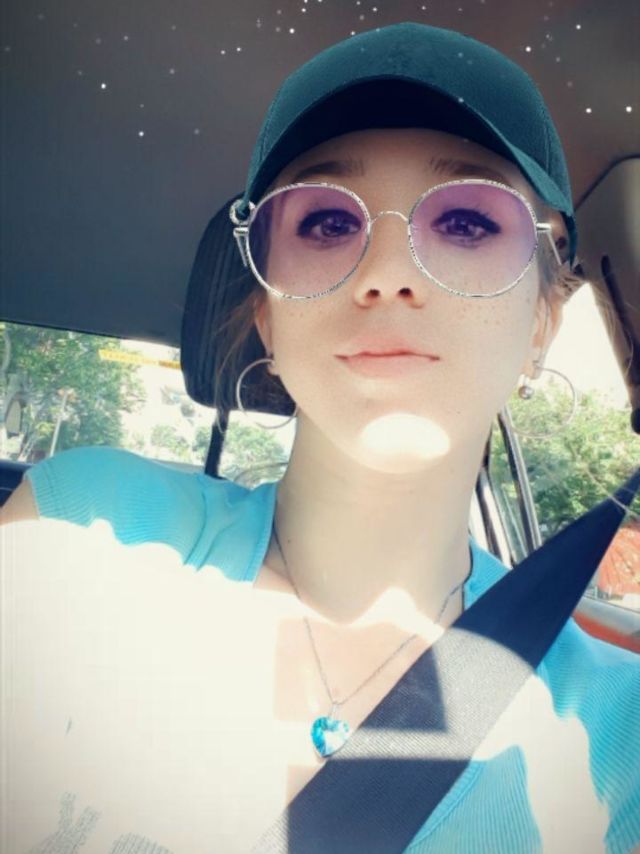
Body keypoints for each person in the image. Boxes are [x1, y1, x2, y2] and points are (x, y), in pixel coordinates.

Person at [1, 21, 638, 854]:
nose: (386, 274)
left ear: (542, 324)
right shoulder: (82, 532)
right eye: (328, 223)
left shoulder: (619, 733)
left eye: (467, 223)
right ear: (267, 315)